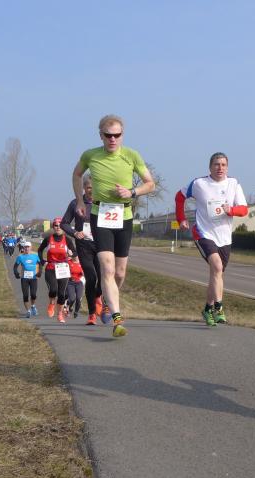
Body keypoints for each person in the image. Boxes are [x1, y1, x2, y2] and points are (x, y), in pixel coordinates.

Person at [71, 114, 155, 337]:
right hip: (100, 215)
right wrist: (80, 201)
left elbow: (150, 184)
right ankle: (117, 318)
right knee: (106, 268)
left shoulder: (132, 155)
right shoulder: (90, 155)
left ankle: (108, 302)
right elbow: (77, 174)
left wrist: (132, 192)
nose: (112, 139)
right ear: (101, 135)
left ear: (122, 135)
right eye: (108, 135)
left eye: (117, 135)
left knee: (119, 272)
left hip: (124, 215)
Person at [175, 152, 248, 326]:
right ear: (210, 167)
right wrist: (181, 219)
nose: (220, 168)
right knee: (217, 266)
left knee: (217, 274)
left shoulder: (233, 183)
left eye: (223, 165)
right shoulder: (199, 184)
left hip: (224, 237)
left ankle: (208, 309)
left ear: (227, 167)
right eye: (216, 164)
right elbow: (179, 197)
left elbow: (244, 209)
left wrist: (231, 210)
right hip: (204, 233)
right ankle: (219, 308)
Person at [60, 176, 104, 325]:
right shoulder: (76, 203)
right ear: (84, 188)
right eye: (89, 187)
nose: (92, 190)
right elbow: (64, 223)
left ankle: (98, 296)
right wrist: (74, 233)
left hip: (101, 245)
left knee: (103, 278)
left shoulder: (102, 203)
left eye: (95, 187)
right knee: (91, 278)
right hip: (84, 246)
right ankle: (92, 314)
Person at [37, 217, 76, 323]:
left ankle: (60, 314)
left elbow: (75, 252)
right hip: (51, 268)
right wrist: (42, 261)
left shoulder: (67, 239)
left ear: (63, 227)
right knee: (53, 290)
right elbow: (40, 250)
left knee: (62, 293)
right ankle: (51, 304)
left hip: (63, 268)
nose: (58, 227)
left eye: (60, 225)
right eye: (56, 225)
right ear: (53, 227)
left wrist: (71, 254)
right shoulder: (48, 239)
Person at [13, 241, 40, 318]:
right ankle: (28, 311)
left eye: (28, 247)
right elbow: (15, 267)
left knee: (33, 295)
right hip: (24, 278)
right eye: (25, 247)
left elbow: (40, 264)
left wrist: (39, 272)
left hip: (33, 278)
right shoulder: (20, 257)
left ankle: (33, 306)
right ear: (23, 248)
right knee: (25, 295)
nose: (27, 248)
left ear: (31, 247)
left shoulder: (35, 256)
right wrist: (16, 273)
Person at [65, 254, 86, 319]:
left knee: (78, 298)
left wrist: (83, 273)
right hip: (70, 283)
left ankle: (76, 312)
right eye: (74, 256)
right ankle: (69, 306)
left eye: (77, 256)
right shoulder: (68, 262)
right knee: (72, 299)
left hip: (79, 283)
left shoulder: (82, 263)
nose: (76, 257)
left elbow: (86, 272)